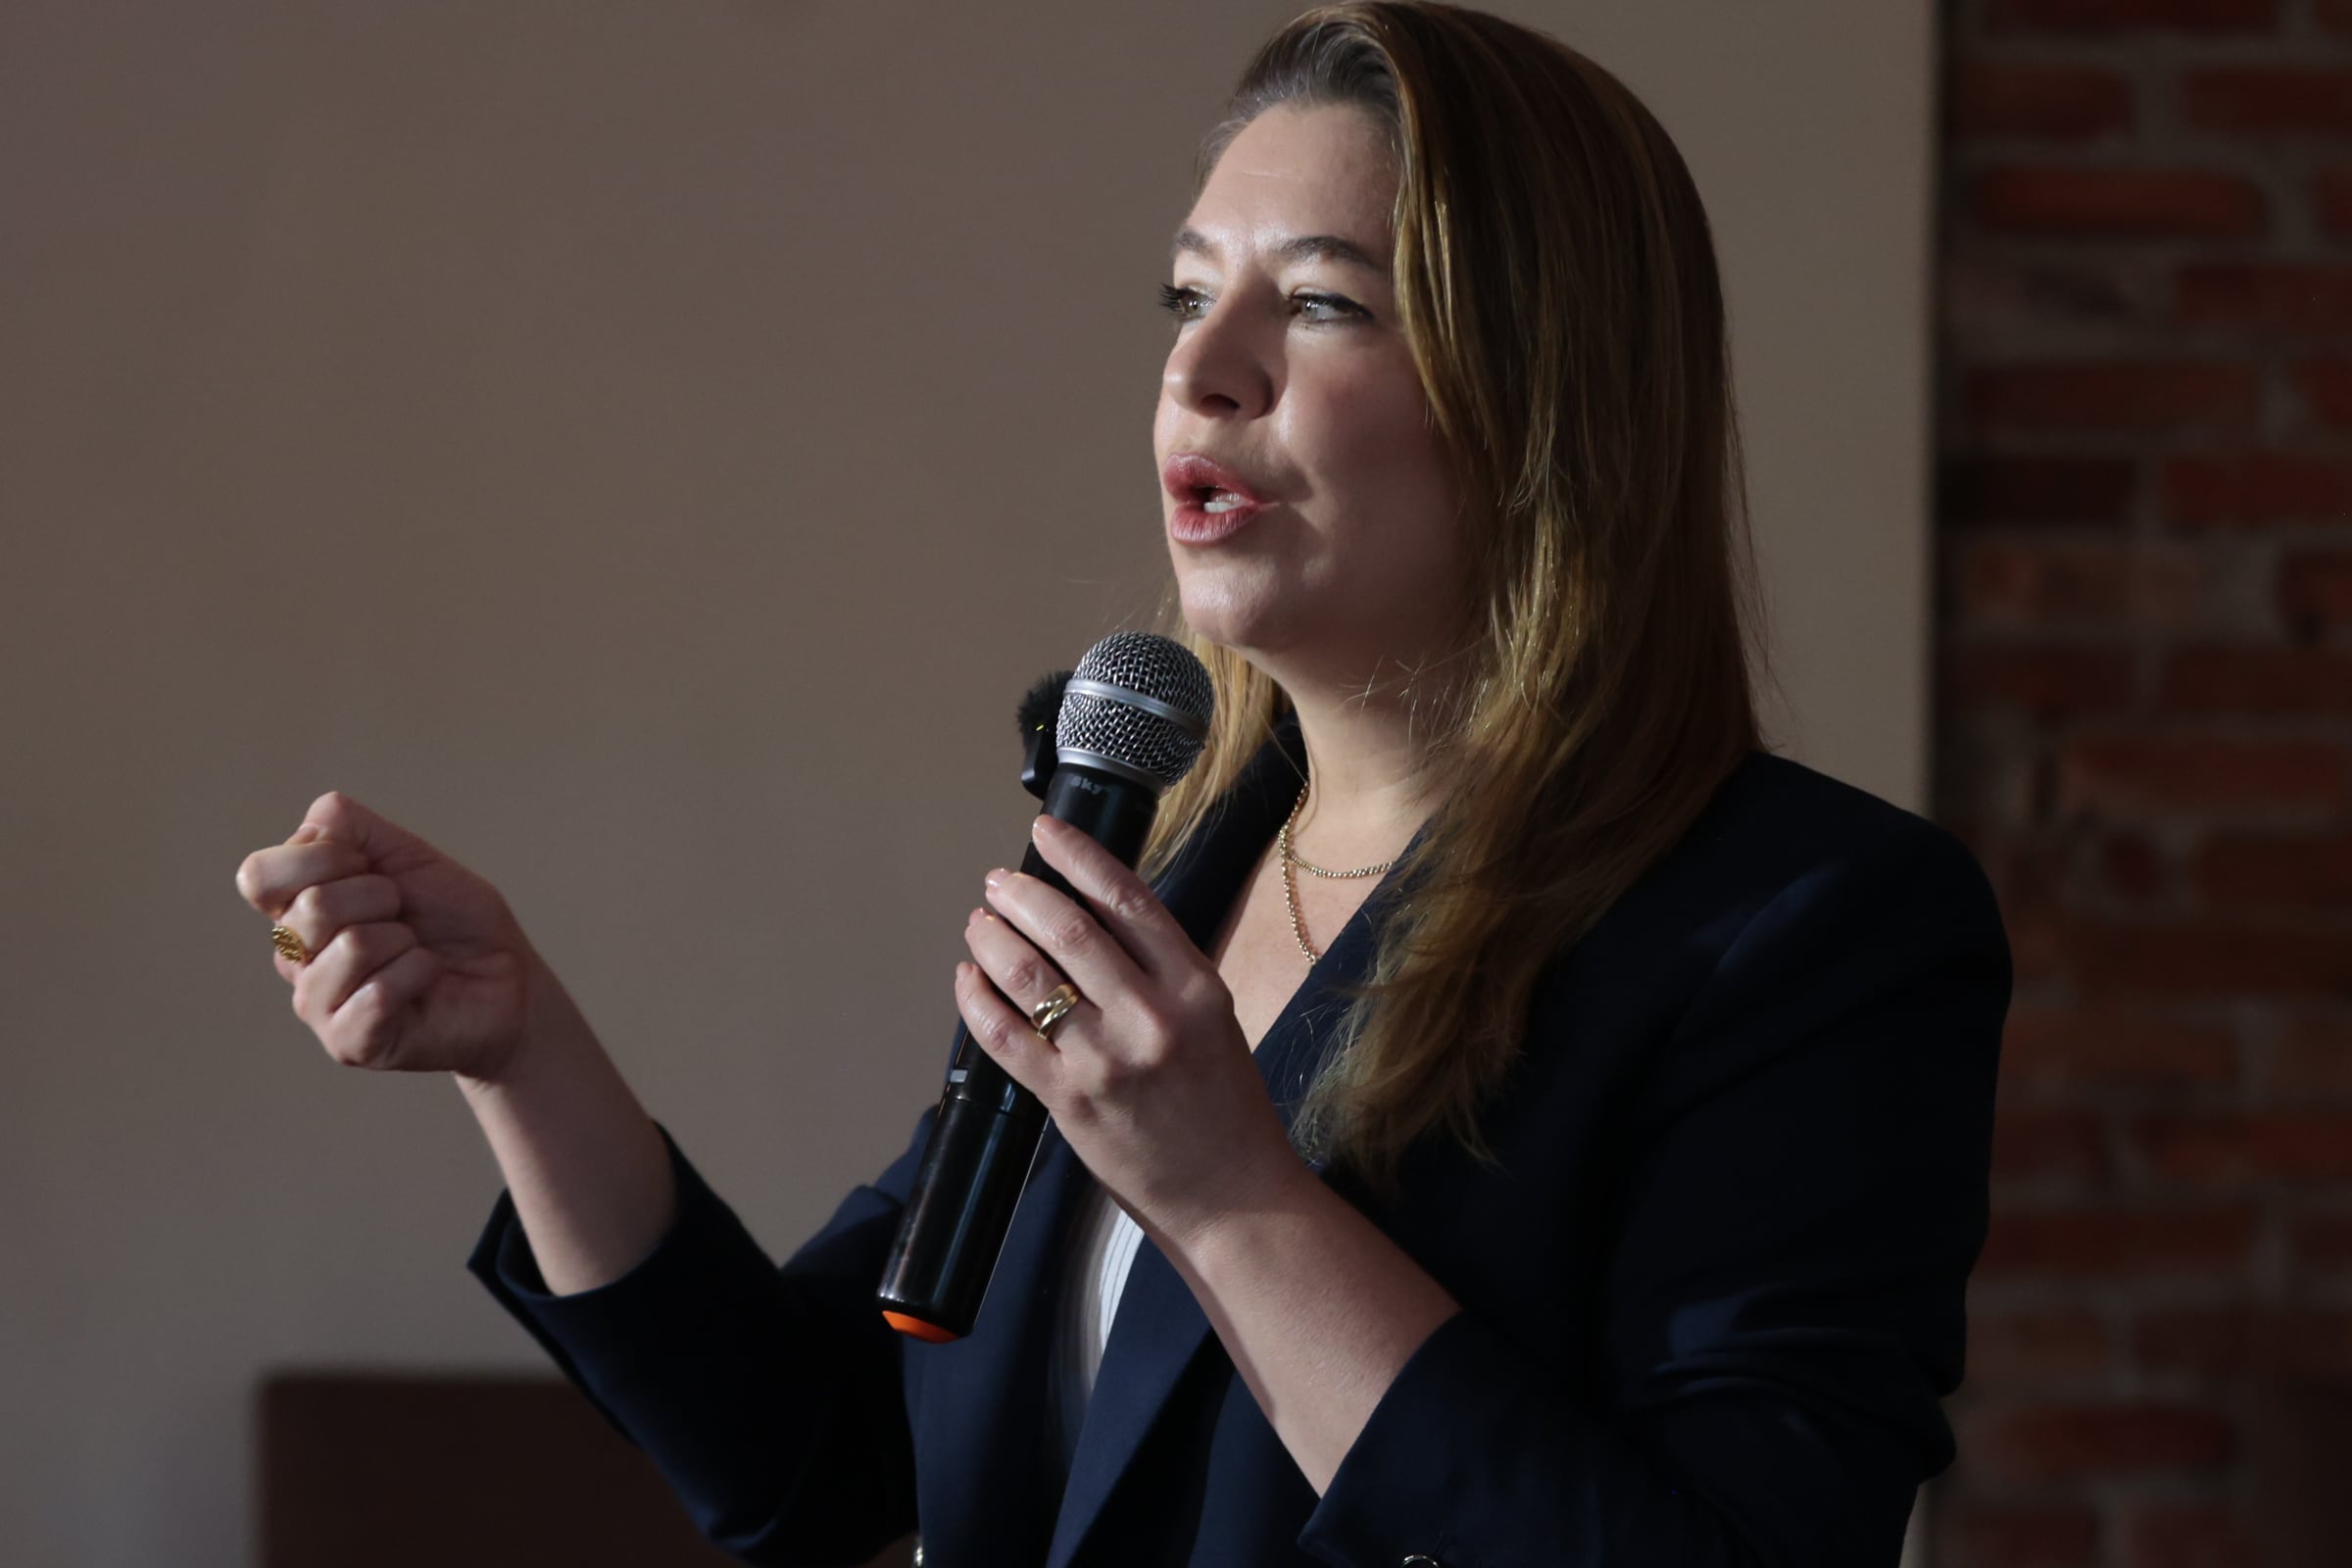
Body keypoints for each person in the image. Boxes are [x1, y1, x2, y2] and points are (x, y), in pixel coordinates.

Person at [233, 4, 2011, 1565]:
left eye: (1318, 303)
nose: (1200, 367)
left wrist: (1237, 1204)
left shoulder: (1800, 930)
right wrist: (525, 1050)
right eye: (1187, 294)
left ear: (1545, 403)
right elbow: (806, 1463)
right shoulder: (1157, 854)